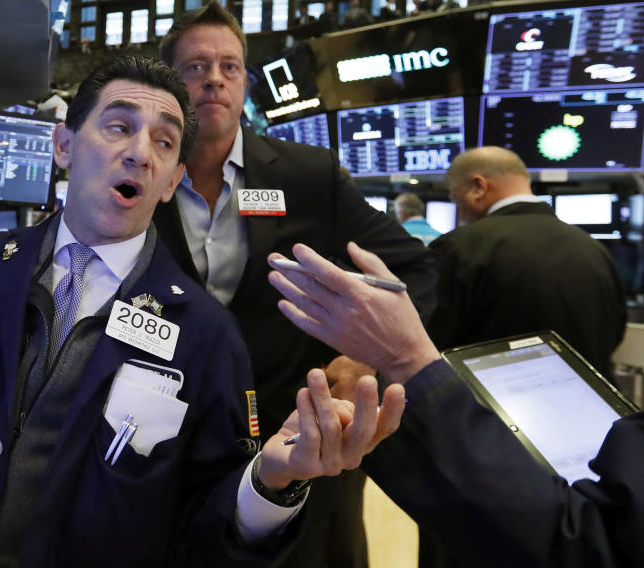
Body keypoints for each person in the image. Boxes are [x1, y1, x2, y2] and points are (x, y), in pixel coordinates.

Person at [0, 56, 406, 568]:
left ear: (171, 180)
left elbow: (210, 529)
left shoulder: (206, 337)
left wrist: (270, 481)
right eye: (119, 126)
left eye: (163, 142)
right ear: (65, 146)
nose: (140, 153)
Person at [156, 0, 437, 568]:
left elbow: (415, 270)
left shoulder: (307, 178)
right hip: (171, 439)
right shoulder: (140, 171)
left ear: (244, 81)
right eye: (196, 67)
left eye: (229, 66)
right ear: (170, 83)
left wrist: (366, 358)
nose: (214, 79)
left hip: (302, 432)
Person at [265, 240, 644, 568]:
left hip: (489, 472)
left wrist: (407, 358)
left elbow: (582, 546)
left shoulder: (461, 250)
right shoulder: (593, 249)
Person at [429, 147, 626, 381]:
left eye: (455, 198)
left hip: (493, 410)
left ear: (478, 187)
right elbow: (613, 332)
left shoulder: (459, 247)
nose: (458, 211)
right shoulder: (593, 247)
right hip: (595, 406)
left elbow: (431, 345)